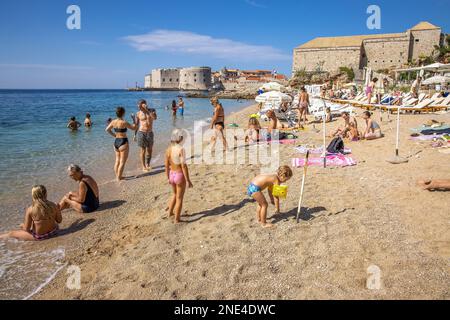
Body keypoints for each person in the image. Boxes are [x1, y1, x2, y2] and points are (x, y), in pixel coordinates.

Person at [165, 129, 193, 224]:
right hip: (179, 175)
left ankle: (170, 213)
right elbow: (183, 166)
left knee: (174, 194)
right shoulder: (181, 149)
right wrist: (188, 180)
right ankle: (177, 219)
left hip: (171, 174)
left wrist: (168, 177)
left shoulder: (168, 150)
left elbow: (166, 165)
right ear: (180, 138)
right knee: (179, 198)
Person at [106, 107, 137, 181]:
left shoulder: (113, 122)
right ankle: (119, 177)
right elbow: (134, 128)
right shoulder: (124, 122)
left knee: (117, 160)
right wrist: (133, 119)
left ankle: (118, 176)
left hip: (116, 142)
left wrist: (114, 135)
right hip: (123, 141)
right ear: (123, 113)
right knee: (122, 162)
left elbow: (107, 129)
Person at [134, 99, 157, 172]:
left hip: (150, 132)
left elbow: (154, 118)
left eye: (141, 105)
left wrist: (147, 110)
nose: (139, 106)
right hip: (141, 132)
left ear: (145, 104)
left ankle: (148, 164)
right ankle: (143, 166)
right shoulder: (138, 113)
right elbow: (136, 125)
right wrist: (134, 135)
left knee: (149, 150)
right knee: (143, 150)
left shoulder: (151, 110)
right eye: (138, 105)